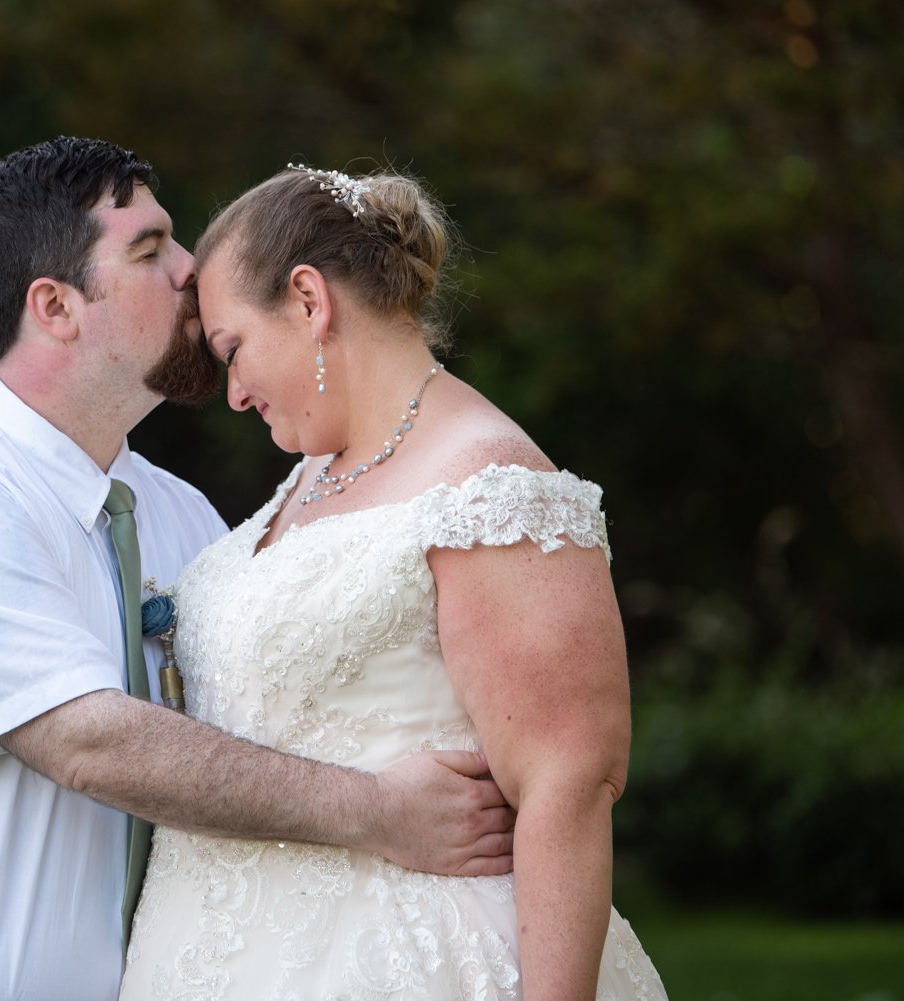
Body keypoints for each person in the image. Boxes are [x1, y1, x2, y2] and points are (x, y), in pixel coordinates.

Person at [0, 138, 517, 1001]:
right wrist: (379, 812)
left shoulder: (177, 513)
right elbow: (87, 739)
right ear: (56, 306)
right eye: (150, 249)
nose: (192, 267)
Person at [119, 165, 668, 1000]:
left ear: (309, 301)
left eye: (234, 351)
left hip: (404, 961)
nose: (232, 394)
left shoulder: (490, 484)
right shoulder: (311, 475)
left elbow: (569, 780)